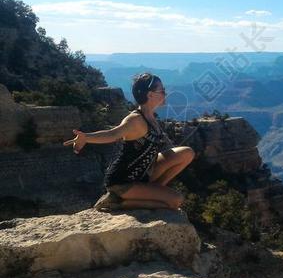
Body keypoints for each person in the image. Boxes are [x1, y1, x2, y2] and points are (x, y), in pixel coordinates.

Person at [64, 73, 194, 211]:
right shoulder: (135, 120)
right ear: (150, 95)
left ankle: (155, 191)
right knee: (176, 201)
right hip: (123, 182)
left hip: (143, 175)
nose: (165, 93)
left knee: (186, 153)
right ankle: (119, 202)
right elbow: (113, 134)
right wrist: (86, 137)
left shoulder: (150, 117)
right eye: (162, 90)